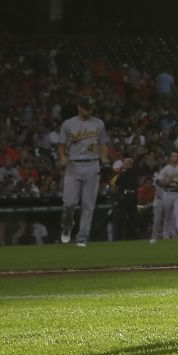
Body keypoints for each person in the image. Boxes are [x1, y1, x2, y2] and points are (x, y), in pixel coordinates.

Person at [55, 97, 107, 248]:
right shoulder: (68, 124)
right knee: (69, 203)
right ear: (79, 107)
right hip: (73, 166)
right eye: (86, 108)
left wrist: (104, 157)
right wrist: (63, 156)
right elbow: (61, 145)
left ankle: (82, 238)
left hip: (92, 165)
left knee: (88, 205)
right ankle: (67, 226)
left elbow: (103, 143)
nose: (89, 110)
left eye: (91, 108)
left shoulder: (99, 123)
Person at [151, 151, 178, 243]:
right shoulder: (166, 169)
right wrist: (167, 182)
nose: (175, 157)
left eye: (176, 156)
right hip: (168, 192)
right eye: (173, 156)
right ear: (170, 158)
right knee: (167, 215)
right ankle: (166, 234)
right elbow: (159, 181)